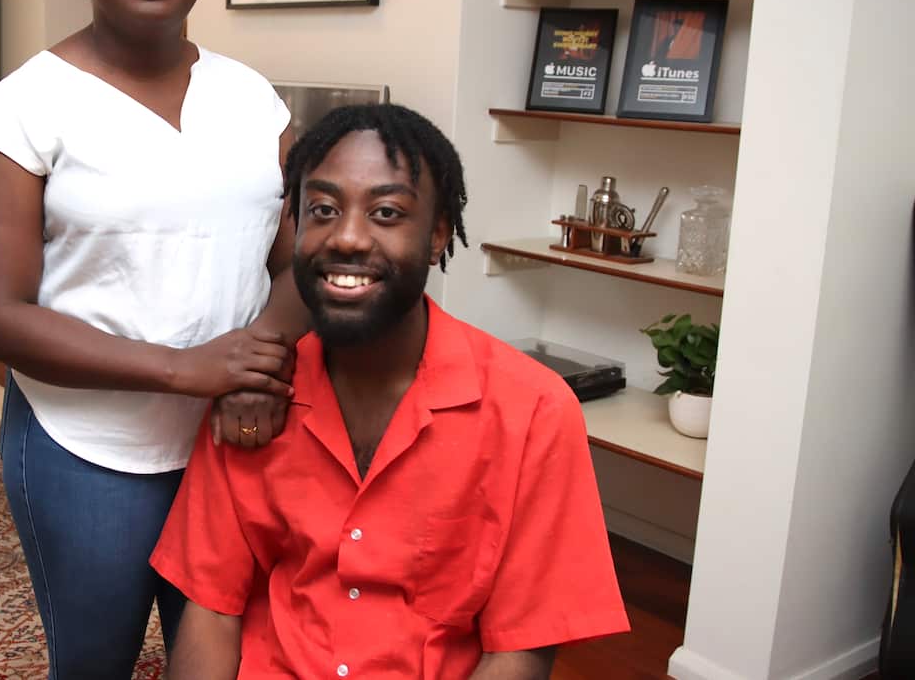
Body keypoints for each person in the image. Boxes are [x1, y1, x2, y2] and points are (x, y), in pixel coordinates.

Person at [0, 0, 307, 680]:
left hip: (232, 441)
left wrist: (254, 368)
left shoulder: (252, 98)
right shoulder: (28, 103)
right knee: (96, 662)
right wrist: (187, 369)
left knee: (227, 658)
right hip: (86, 449)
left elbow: (302, 262)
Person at [151, 104, 630, 679]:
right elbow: (212, 608)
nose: (348, 237)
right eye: (323, 210)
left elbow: (521, 647)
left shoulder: (532, 411)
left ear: (437, 236)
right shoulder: (253, 397)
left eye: (386, 213)